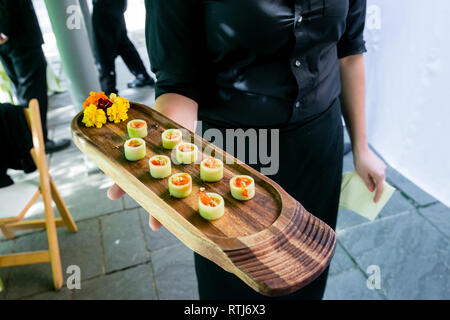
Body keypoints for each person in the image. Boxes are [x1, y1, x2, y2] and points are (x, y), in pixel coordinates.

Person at [108, 0, 387, 300]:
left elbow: (348, 52)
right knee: (234, 290)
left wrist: (361, 146)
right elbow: (178, 83)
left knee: (305, 276)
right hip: (232, 159)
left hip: (317, 151)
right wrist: (164, 158)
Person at [0, 0, 71, 154]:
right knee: (32, 91)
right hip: (18, 32)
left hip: (9, 35)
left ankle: (30, 141)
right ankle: (37, 142)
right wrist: (4, 28)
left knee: (22, 89)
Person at [92, 0, 154, 95]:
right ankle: (142, 76)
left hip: (105, 5)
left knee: (103, 47)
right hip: (114, 5)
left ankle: (109, 92)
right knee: (122, 41)